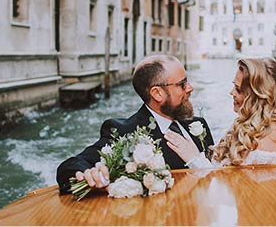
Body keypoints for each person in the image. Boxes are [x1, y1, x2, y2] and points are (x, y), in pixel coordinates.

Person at [56, 55, 214, 194]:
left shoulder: (199, 126)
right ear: (157, 93)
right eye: (182, 84)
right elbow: (69, 167)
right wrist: (88, 173)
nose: (190, 88)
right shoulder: (123, 131)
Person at [165, 57, 276, 168]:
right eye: (234, 86)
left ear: (257, 97)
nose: (231, 92)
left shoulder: (270, 140)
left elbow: (231, 190)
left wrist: (195, 159)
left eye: (238, 90)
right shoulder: (251, 126)